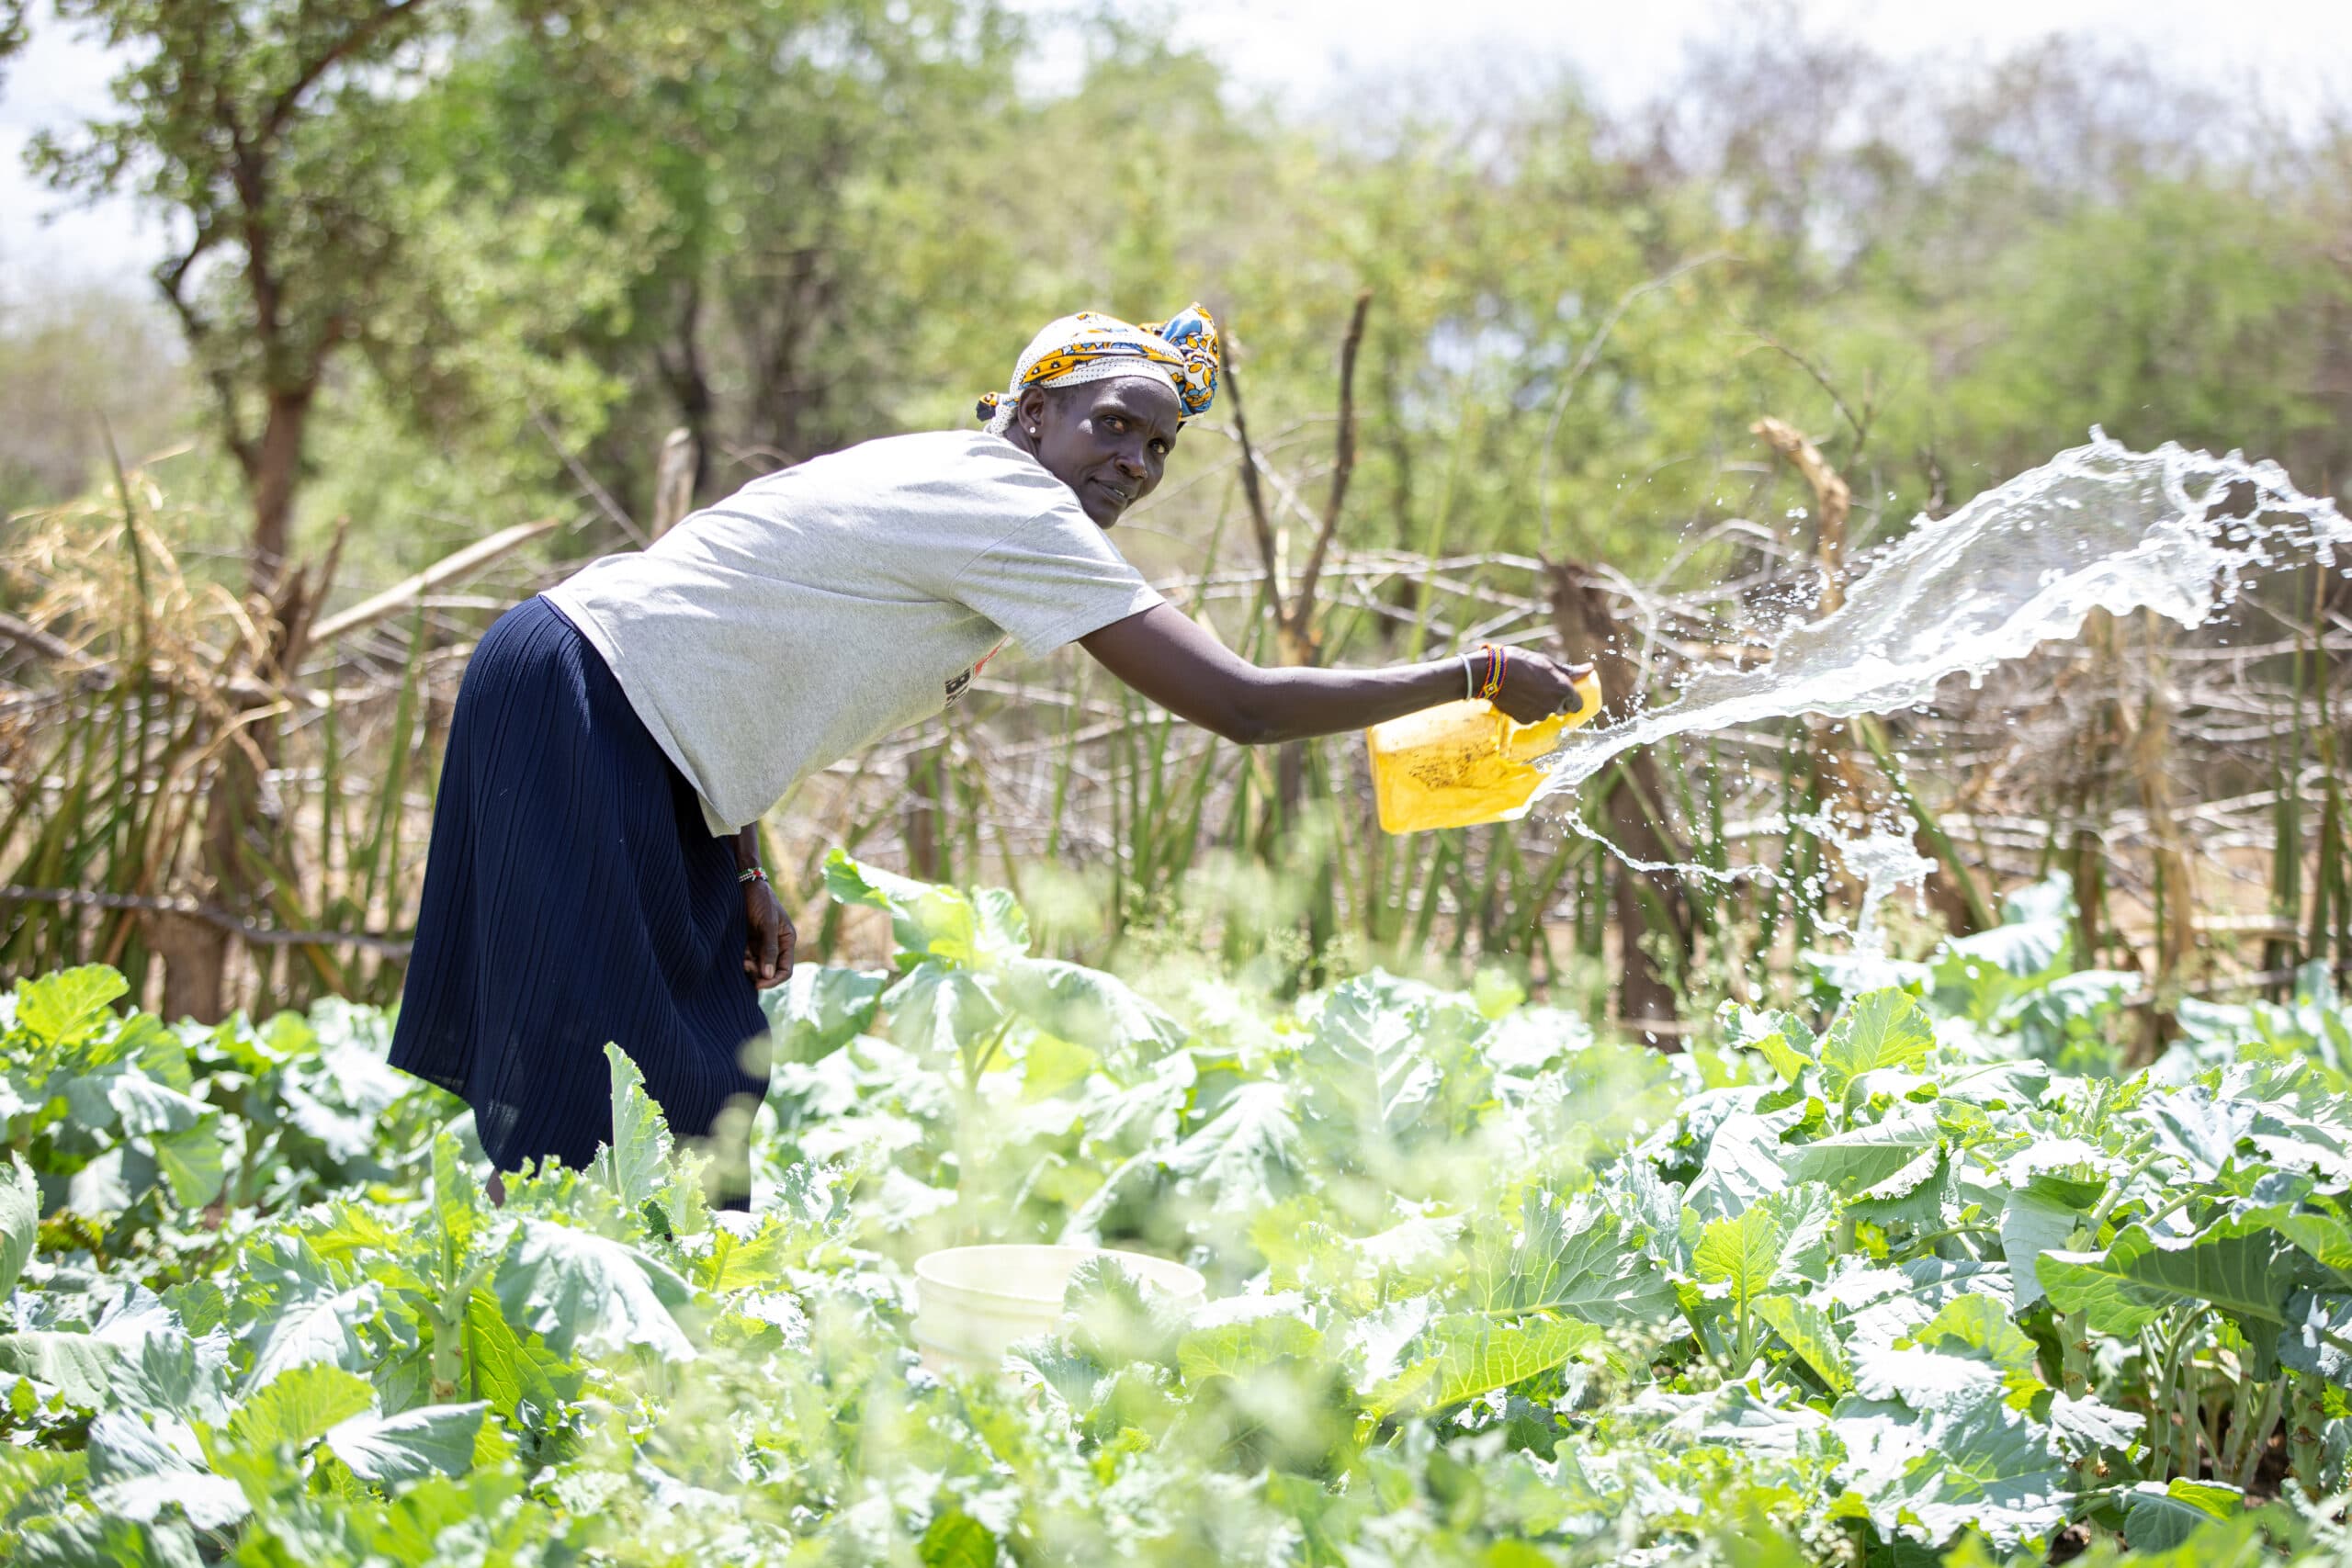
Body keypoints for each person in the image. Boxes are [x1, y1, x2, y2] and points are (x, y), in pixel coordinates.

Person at [387, 304, 1591, 1200]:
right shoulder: (1007, 505)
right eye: (1113, 425)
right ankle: (540, 1353)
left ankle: (616, 1339)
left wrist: (742, 862)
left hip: (637, 726)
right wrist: (1475, 674)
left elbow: (731, 633)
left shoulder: (980, 503)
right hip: (583, 696)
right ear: (1031, 415)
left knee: (700, 1083)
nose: (1135, 461)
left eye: (1159, 447)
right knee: (596, 1093)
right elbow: (1245, 706)